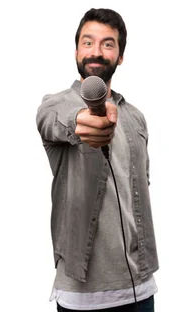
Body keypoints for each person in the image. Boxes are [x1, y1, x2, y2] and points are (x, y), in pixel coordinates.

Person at [36, 8, 158, 311]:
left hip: (140, 285)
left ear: (120, 56)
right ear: (76, 50)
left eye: (108, 44)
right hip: (83, 293)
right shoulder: (55, 104)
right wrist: (82, 121)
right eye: (88, 42)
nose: (96, 52)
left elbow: (139, 188)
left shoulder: (135, 117)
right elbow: (54, 120)